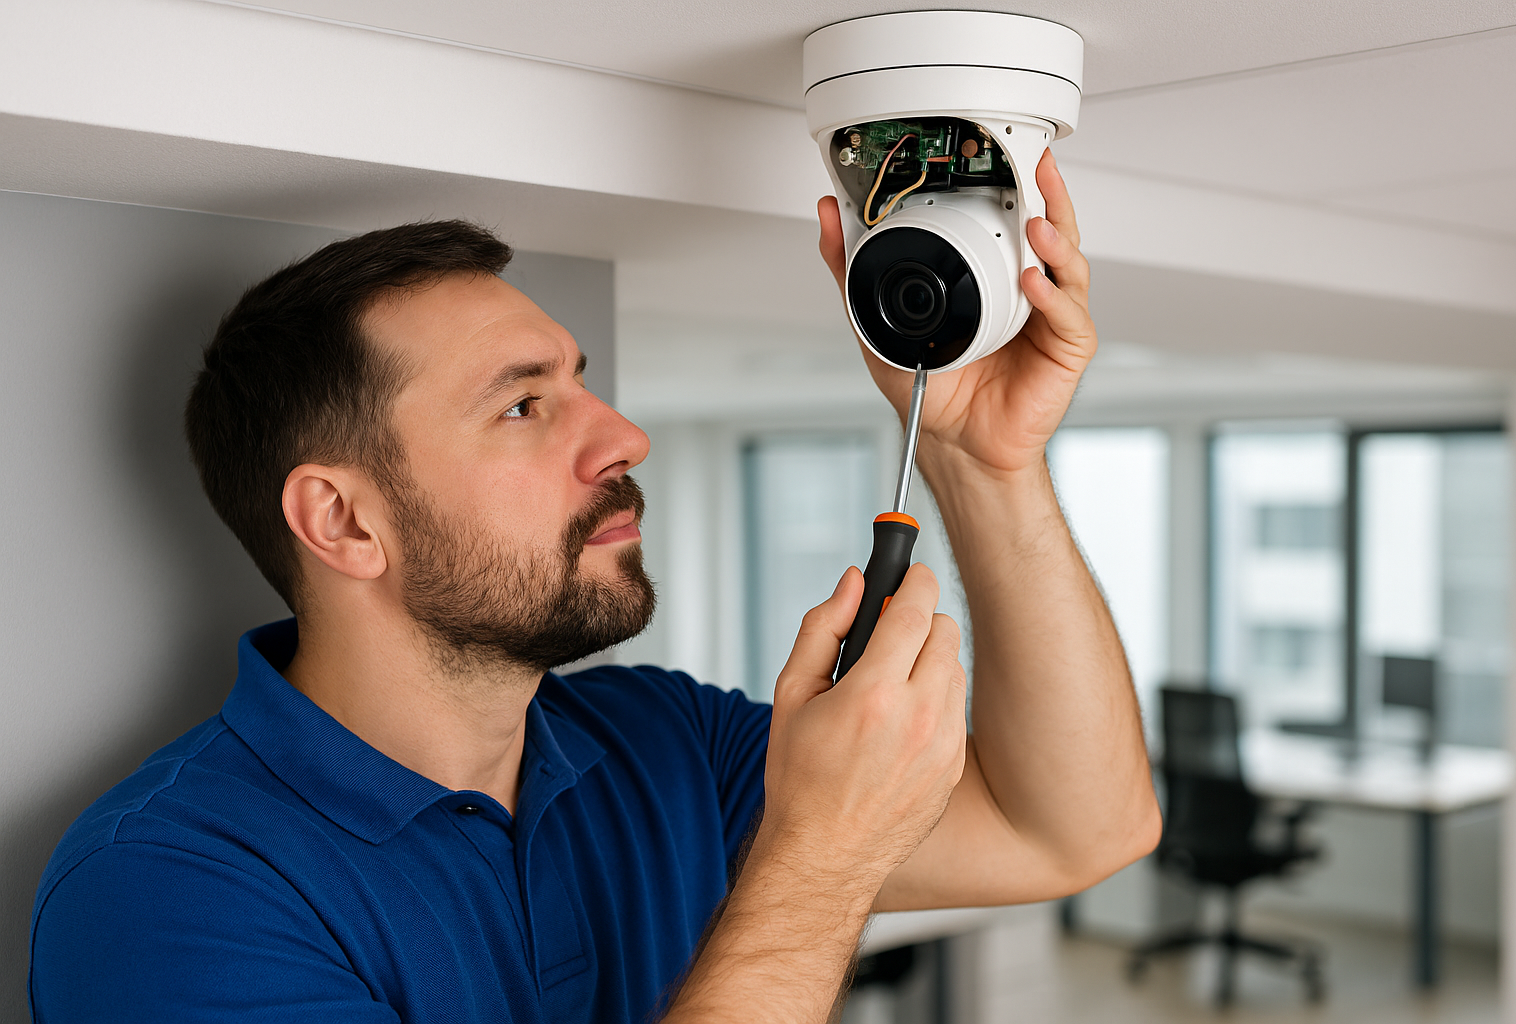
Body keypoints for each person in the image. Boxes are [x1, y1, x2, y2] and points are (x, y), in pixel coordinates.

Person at [29, 151, 1159, 1023]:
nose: (624, 437)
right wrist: (816, 860)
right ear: (345, 521)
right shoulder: (165, 890)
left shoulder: (665, 744)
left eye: (584, 382)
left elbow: (1072, 832)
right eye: (524, 405)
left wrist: (980, 461)